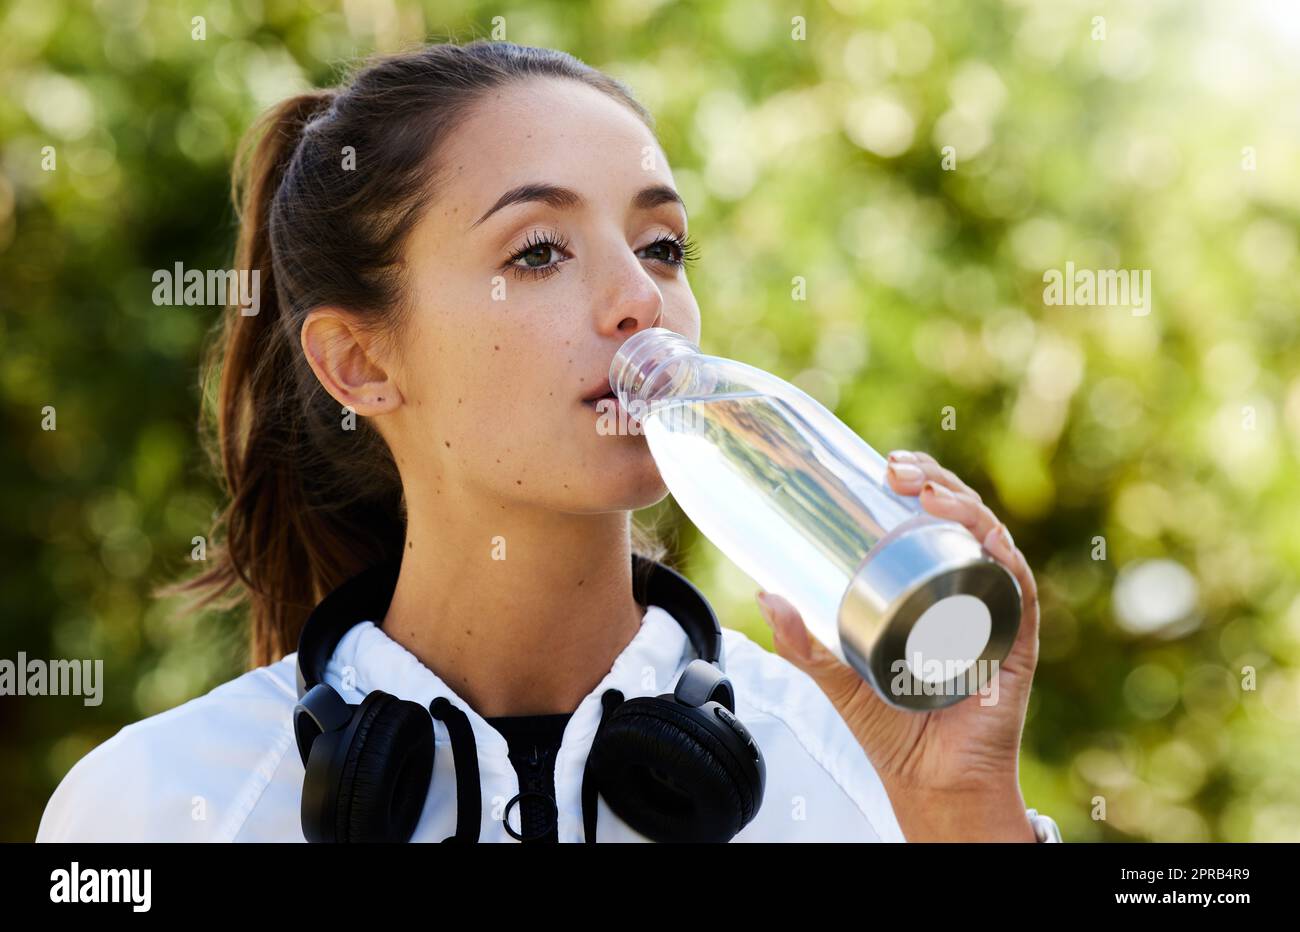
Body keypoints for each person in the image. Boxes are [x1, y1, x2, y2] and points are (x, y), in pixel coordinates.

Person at [35, 39, 1048, 843]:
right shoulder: (158, 804)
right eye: (537, 252)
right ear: (359, 362)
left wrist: (961, 813)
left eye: (660, 246)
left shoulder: (859, 772)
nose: (637, 300)